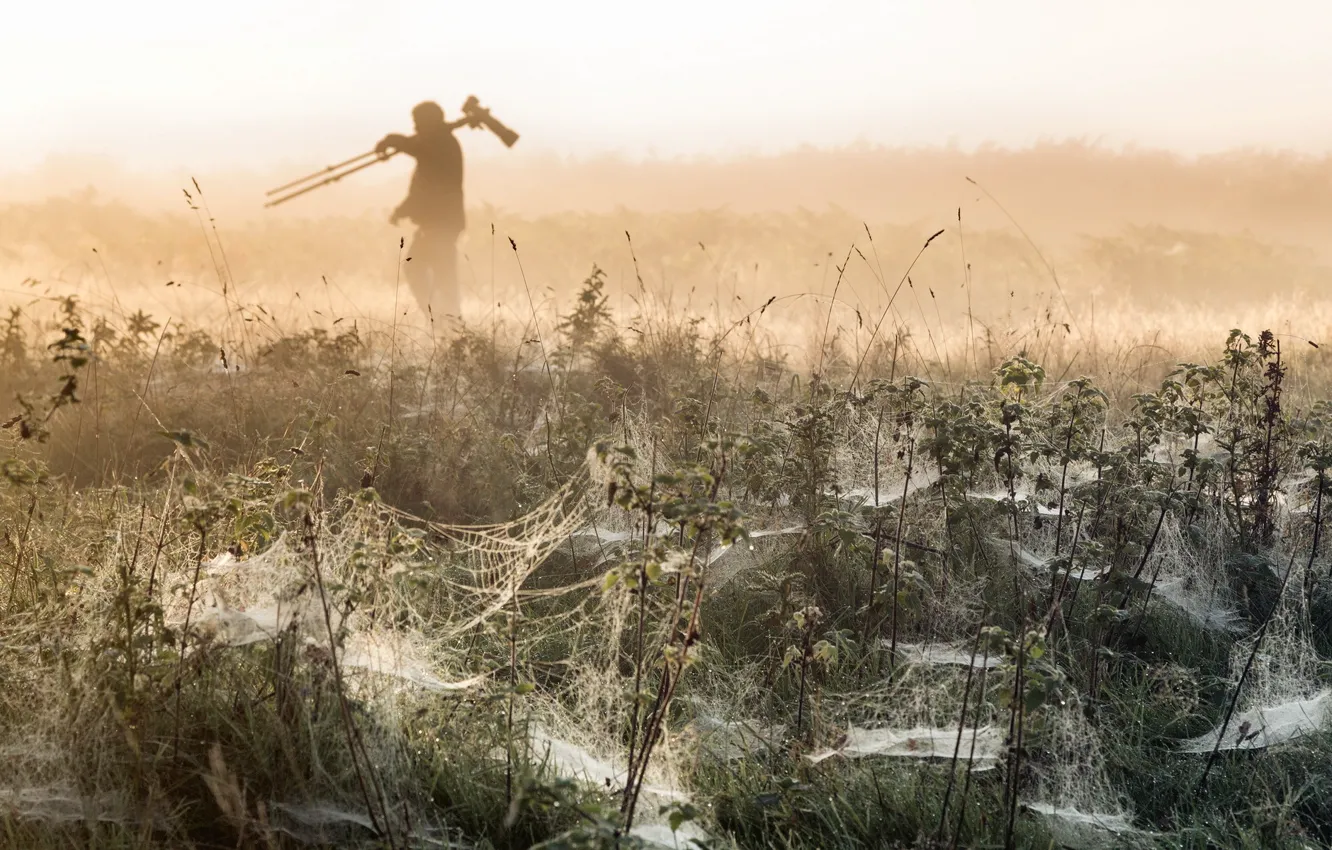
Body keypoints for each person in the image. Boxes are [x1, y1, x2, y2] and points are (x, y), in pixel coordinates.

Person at [375, 101, 469, 320]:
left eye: (418, 122)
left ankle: (446, 320)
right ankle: (440, 318)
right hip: (436, 223)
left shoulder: (441, 143)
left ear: (430, 121)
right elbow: (423, 188)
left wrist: (391, 140)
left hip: (442, 224)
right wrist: (402, 210)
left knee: (439, 273)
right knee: (421, 269)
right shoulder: (436, 143)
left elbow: (418, 148)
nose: (415, 127)